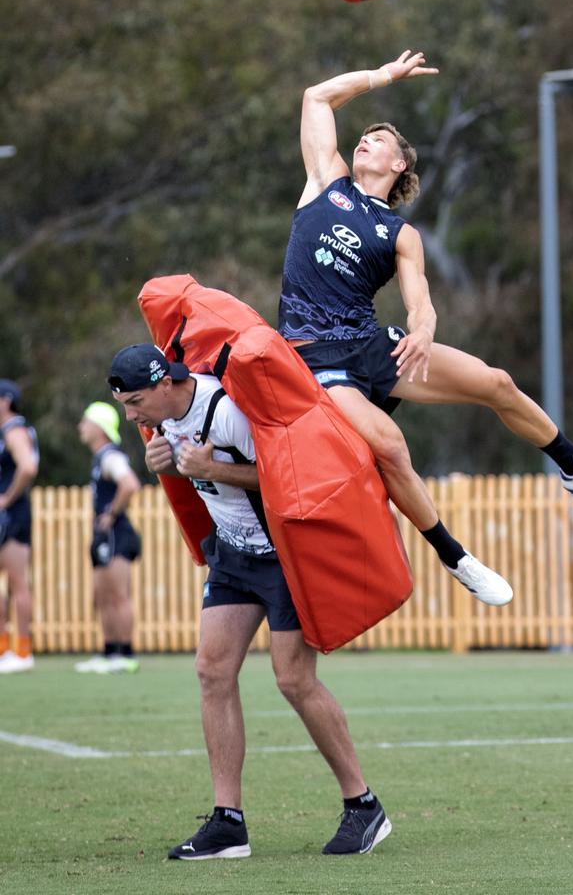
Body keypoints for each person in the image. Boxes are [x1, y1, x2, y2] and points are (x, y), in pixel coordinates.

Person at [278, 49, 573, 607]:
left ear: (400, 164)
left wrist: (423, 329)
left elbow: (419, 300)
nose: (365, 141)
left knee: (496, 382)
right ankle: (456, 556)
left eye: (379, 139)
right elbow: (316, 97)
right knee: (393, 447)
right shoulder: (324, 182)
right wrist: (384, 77)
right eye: (364, 136)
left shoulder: (399, 234)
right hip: (316, 357)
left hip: (370, 345)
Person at [108, 342, 391, 858]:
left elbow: (289, 477)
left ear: (165, 384)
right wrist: (168, 466)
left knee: (293, 680)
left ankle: (364, 806)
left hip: (282, 556)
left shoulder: (223, 410)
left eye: (134, 403)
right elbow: (194, 472)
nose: (131, 416)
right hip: (232, 556)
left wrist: (211, 469)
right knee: (212, 670)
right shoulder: (161, 419)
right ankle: (227, 823)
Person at [75, 401, 141, 674]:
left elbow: (130, 484)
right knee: (103, 596)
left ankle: (124, 653)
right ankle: (109, 651)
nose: (81, 427)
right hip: (105, 535)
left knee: (117, 595)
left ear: (98, 428)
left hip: (116, 533)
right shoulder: (100, 457)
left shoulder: (110, 457)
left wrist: (110, 514)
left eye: (85, 421)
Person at [0, 380, 39, 673]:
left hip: (12, 516)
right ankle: (5, 650)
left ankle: (22, 651)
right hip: (12, 514)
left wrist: (6, 499)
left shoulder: (13, 429)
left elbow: (27, 467)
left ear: (6, 401)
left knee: (16, 582)